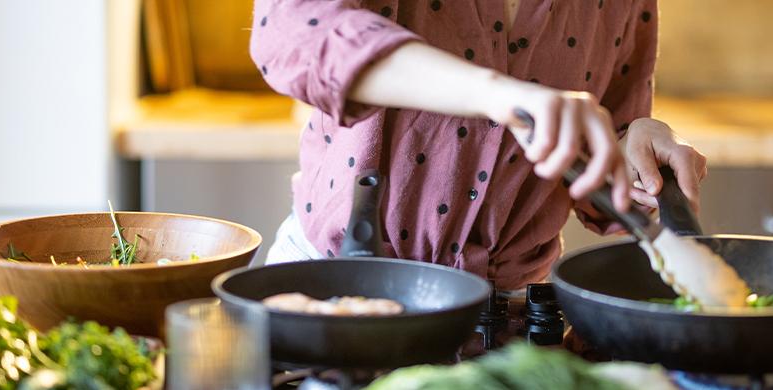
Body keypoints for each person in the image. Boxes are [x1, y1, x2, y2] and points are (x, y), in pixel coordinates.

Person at [252, 0, 707, 291]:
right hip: (338, 296)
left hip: (510, 316)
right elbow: (292, 30)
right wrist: (498, 94)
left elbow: (598, 143)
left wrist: (635, 146)